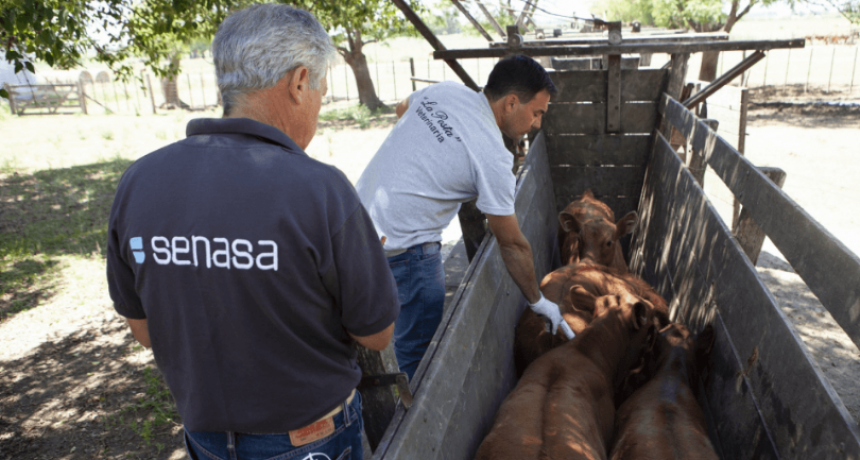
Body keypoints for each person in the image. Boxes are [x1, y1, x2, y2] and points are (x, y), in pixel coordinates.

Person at [106, 5, 400, 460]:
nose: (319, 105)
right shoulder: (320, 190)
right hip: (310, 440)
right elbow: (376, 334)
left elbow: (145, 330)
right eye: (320, 90)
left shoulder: (140, 181)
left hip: (206, 439)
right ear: (300, 81)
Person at [355, 55, 574, 381]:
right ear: (511, 103)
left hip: (355, 225)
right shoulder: (494, 157)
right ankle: (414, 425)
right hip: (409, 251)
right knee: (417, 355)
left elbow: (402, 109)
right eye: (537, 112)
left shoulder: (444, 91)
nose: (538, 123)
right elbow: (512, 244)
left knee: (357, 333)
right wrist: (538, 301)